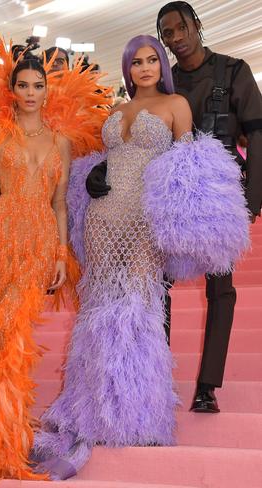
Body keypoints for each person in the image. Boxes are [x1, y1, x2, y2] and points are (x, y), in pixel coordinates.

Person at [32, 35, 250, 481]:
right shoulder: (114, 112)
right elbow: (105, 157)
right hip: (103, 219)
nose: (145, 67)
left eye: (153, 60)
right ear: (128, 68)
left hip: (144, 220)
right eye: (137, 61)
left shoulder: (177, 105)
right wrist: (93, 172)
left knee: (138, 310)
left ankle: (137, 414)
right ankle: (96, 405)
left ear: (162, 65)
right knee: (98, 312)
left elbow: (190, 168)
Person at [0, 38, 109, 487]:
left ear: (47, 92)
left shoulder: (61, 143)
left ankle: (4, 441)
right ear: (12, 90)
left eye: (38, 85)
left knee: (14, 342)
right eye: (23, 85)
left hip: (38, 240)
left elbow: (59, 205)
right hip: (0, 233)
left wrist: (59, 252)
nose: (31, 92)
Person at [87, 1, 262, 413]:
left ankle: (207, 386)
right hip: (154, 199)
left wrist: (252, 200)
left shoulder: (234, 71)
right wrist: (99, 169)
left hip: (215, 198)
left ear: (197, 25)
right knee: (155, 289)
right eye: (167, 32)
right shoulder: (164, 79)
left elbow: (257, 134)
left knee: (221, 289)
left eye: (181, 27)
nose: (176, 37)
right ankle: (154, 377)